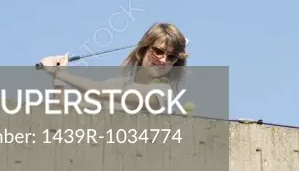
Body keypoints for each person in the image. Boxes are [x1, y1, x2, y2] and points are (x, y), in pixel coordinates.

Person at [37, 22, 189, 115]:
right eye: (158, 51)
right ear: (143, 50)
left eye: (171, 57)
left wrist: (61, 74)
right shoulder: (116, 85)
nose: (163, 60)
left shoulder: (163, 91)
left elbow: (100, 91)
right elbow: (64, 115)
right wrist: (59, 77)